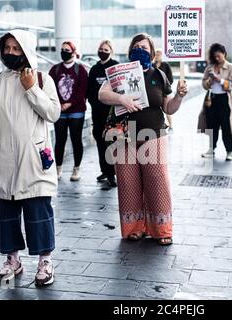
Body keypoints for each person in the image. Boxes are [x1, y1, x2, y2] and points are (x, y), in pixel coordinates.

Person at [0, 30, 61, 287]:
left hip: (34, 162)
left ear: (26, 50)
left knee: (38, 214)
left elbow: (53, 113)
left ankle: (45, 261)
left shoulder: (43, 79)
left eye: (16, 48)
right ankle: (13, 259)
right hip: (3, 163)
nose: (10, 53)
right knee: (7, 216)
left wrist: (31, 89)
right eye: (7, 48)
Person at [99, 33, 188, 246]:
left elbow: (168, 108)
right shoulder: (118, 73)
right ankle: (134, 228)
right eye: (136, 46)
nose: (140, 49)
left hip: (153, 134)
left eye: (144, 47)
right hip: (124, 136)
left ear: (151, 50)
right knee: (128, 184)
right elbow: (102, 94)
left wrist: (179, 97)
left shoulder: (159, 74)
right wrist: (121, 99)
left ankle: (161, 229)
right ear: (130, 50)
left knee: (157, 183)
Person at [49, 41, 88, 181]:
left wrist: (69, 103)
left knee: (76, 140)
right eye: (62, 49)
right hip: (59, 111)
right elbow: (50, 88)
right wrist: (59, 104)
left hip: (76, 111)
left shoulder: (80, 70)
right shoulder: (55, 70)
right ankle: (58, 169)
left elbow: (82, 90)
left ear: (73, 51)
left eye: (66, 49)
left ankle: (76, 169)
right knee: (59, 140)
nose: (63, 51)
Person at [87, 39, 119, 187]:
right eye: (101, 49)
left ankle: (113, 173)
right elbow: (90, 91)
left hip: (112, 113)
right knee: (100, 142)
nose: (103, 52)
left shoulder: (115, 67)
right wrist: (96, 103)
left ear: (111, 51)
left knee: (112, 143)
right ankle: (104, 170)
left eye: (106, 50)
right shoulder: (94, 69)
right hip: (97, 113)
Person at [201, 43, 232, 161]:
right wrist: (209, 81)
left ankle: (229, 151)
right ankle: (211, 149)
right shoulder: (210, 67)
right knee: (212, 126)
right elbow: (204, 84)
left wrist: (220, 80)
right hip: (212, 99)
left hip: (224, 99)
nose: (217, 59)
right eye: (215, 56)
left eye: (219, 56)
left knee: (226, 126)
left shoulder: (230, 67)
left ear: (224, 54)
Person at [154, 49, 174, 132]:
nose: (157, 55)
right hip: (155, 91)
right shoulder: (152, 65)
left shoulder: (166, 65)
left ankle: (171, 126)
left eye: (159, 54)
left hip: (164, 91)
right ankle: (160, 125)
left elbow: (170, 79)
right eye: (156, 54)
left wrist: (165, 86)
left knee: (167, 109)